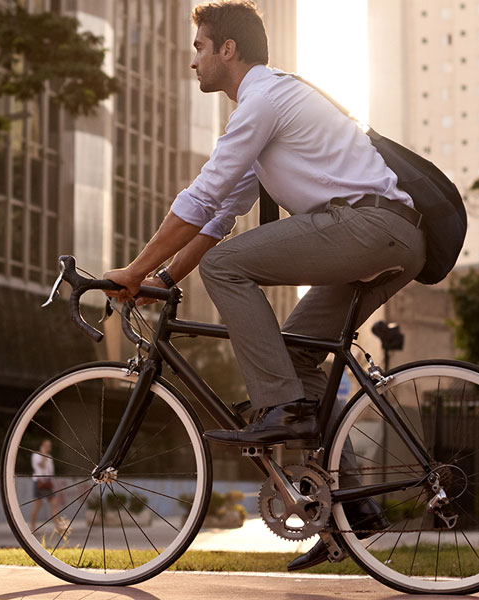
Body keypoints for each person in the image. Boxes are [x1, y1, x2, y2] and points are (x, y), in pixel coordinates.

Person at [104, 0, 422, 571]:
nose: (193, 60)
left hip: (370, 227)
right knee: (296, 358)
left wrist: (129, 271)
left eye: (199, 47)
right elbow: (219, 212)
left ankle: (280, 407)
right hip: (388, 237)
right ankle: (350, 518)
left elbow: (202, 193)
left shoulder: (263, 98)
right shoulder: (270, 108)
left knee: (227, 269)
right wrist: (160, 280)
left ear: (229, 49)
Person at [29, 439, 64, 530]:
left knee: (54, 503)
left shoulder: (50, 457)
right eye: (46, 445)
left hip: (48, 483)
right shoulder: (36, 456)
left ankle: (58, 526)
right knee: (37, 504)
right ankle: (32, 526)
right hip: (39, 482)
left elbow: (51, 471)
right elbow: (41, 466)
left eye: (49, 445)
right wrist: (43, 455)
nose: (48, 447)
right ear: (42, 446)